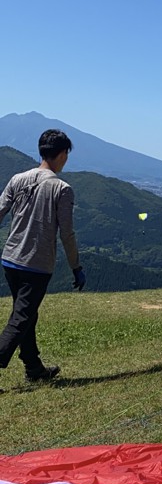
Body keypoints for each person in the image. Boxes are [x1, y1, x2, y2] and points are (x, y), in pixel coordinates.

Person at [0, 129, 85, 382]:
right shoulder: (62, 189)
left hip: (10, 258)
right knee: (21, 318)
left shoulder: (18, 179)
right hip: (36, 264)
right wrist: (76, 267)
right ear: (62, 154)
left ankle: (34, 369)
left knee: (26, 315)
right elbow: (67, 234)